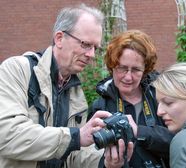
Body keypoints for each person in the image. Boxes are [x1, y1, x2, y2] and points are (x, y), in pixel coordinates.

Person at [0, 3, 133, 168]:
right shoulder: (17, 70)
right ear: (59, 38)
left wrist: (105, 162)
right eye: (85, 44)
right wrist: (75, 136)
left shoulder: (76, 92)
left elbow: (74, 156)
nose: (91, 55)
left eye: (95, 48)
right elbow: (6, 135)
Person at [87, 30, 174, 168]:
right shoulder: (100, 108)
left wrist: (140, 131)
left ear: (145, 70)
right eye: (122, 68)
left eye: (136, 70)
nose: (128, 77)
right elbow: (90, 158)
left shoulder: (161, 97)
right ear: (112, 66)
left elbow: (180, 142)